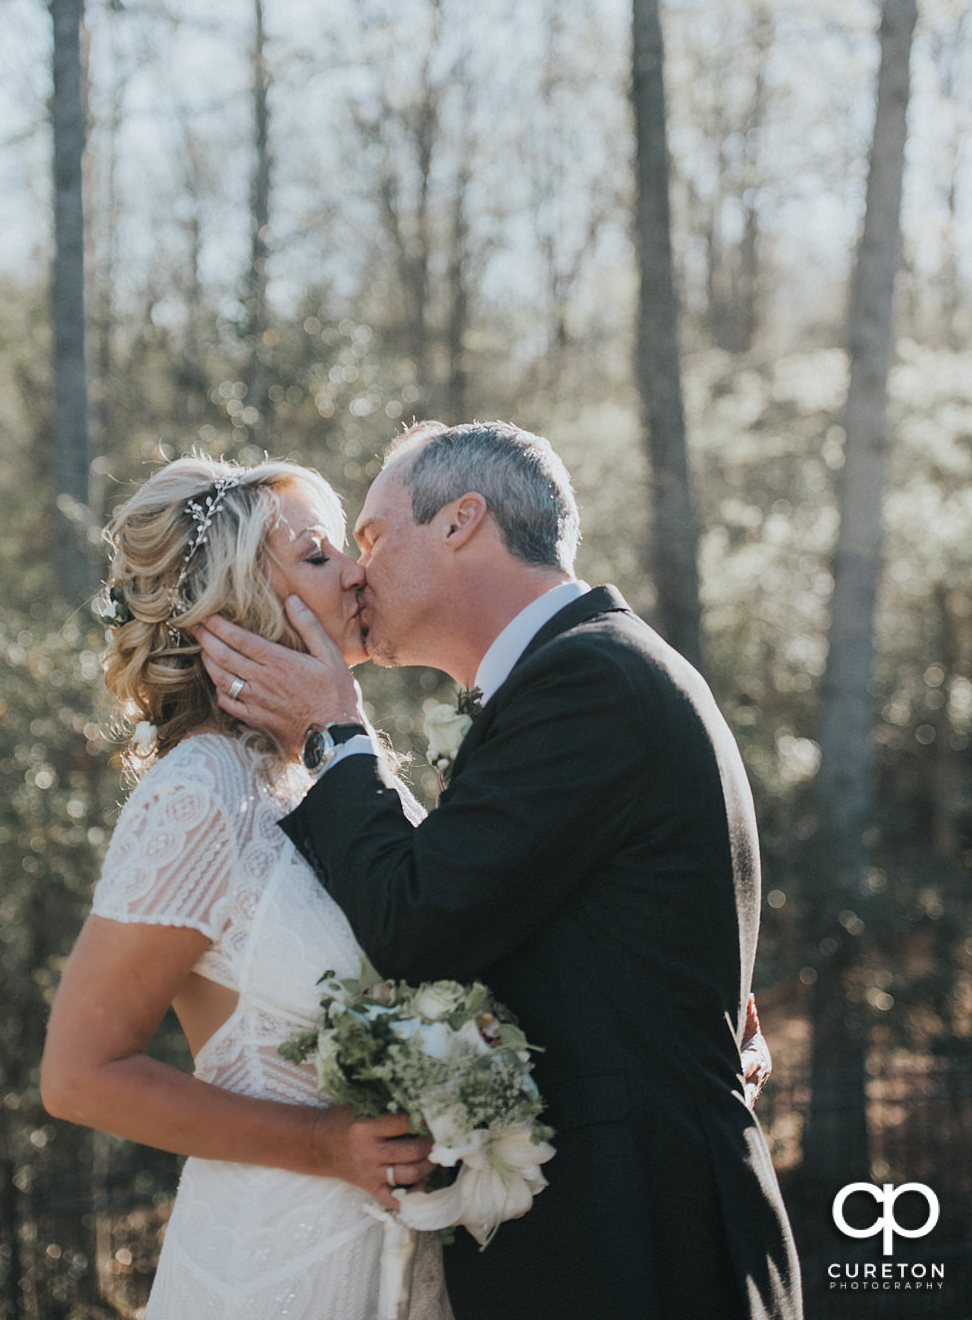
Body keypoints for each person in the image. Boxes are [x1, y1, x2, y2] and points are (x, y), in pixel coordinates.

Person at [196, 420, 804, 1320]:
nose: (358, 572)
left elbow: (419, 921)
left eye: (370, 535)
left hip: (642, 1244)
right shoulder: (581, 672)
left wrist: (337, 731)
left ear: (459, 522)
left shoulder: (587, 679)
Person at [40, 454, 453, 1320]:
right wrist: (324, 1144)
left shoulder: (335, 771)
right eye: (316, 556)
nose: (354, 572)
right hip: (268, 1270)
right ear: (233, 609)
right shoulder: (201, 792)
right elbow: (78, 1075)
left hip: (406, 1263)